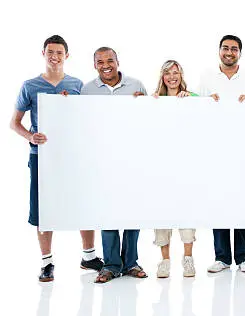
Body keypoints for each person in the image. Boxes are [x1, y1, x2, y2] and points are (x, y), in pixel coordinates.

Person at [10, 35, 103, 282]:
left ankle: (88, 256)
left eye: (59, 53)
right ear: (43, 53)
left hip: (73, 156)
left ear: (67, 56)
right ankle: (47, 262)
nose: (55, 57)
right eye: (50, 52)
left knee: (82, 202)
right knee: (43, 208)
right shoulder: (29, 86)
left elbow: (85, 120)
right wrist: (31, 136)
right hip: (42, 157)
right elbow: (14, 123)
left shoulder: (76, 84)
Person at [81, 46, 149, 283]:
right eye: (100, 62)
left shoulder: (136, 85)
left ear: (118, 61)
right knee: (107, 211)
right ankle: (110, 265)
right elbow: (81, 123)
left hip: (132, 159)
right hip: (102, 161)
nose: (105, 65)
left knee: (132, 211)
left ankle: (131, 263)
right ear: (94, 65)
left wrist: (145, 104)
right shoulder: (86, 90)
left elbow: (149, 120)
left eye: (110, 60)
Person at [199, 35, 245, 273]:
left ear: (240, 53)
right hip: (215, 149)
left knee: (243, 201)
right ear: (219, 51)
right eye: (225, 48)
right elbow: (199, 111)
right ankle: (222, 257)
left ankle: (244, 256)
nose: (229, 52)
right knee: (219, 200)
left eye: (234, 49)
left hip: (244, 149)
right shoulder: (206, 78)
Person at [152, 60, 197, 278]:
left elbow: (211, 105)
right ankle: (165, 260)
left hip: (186, 167)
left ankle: (188, 258)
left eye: (176, 72)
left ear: (181, 75)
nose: (172, 77)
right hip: (161, 167)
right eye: (168, 73)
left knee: (186, 212)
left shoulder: (191, 98)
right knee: (162, 213)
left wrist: (194, 100)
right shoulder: (154, 101)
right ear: (162, 76)